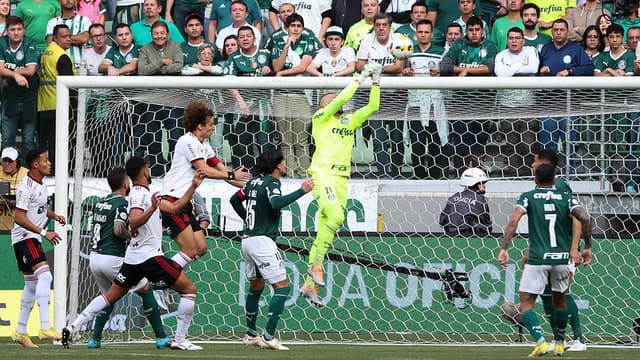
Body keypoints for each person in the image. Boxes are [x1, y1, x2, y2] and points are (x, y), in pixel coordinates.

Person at [62, 156, 205, 351]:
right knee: (189, 290)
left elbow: (174, 208)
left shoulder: (145, 193)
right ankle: (179, 340)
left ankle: (72, 327)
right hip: (149, 257)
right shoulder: (140, 195)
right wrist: (153, 209)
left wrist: (193, 187)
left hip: (132, 259)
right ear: (145, 171)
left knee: (109, 296)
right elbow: (134, 221)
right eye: (148, 168)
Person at [298, 62, 382, 306]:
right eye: (332, 98)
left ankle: (310, 283)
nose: (338, 101)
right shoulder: (320, 118)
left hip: (343, 180)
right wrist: (360, 78)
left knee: (326, 231)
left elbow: (373, 106)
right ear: (324, 104)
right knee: (335, 217)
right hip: (323, 175)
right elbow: (339, 99)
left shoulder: (348, 122)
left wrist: (376, 81)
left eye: (339, 98)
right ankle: (316, 268)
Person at [498, 162, 592, 357]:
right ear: (554, 179)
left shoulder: (528, 196)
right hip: (560, 258)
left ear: (535, 179)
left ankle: (541, 341)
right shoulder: (566, 198)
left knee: (525, 303)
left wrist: (504, 248)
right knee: (560, 300)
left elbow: (514, 221)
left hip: (538, 258)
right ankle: (559, 341)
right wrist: (587, 246)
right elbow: (584, 218)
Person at [230, 148, 313, 350]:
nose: (285, 165)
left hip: (247, 239)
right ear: (277, 165)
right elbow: (275, 203)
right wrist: (302, 190)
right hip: (261, 242)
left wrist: (250, 221)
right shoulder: (272, 182)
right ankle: (268, 336)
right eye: (283, 162)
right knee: (282, 287)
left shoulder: (252, 183)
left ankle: (251, 335)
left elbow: (234, 200)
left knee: (256, 286)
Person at [85, 167, 172, 349]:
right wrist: (129, 235)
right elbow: (118, 229)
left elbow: (90, 231)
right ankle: (162, 337)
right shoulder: (123, 203)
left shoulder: (99, 203)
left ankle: (95, 339)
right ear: (126, 184)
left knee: (108, 296)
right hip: (112, 257)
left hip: (94, 257)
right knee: (145, 289)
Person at [160, 100, 250, 269]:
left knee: (200, 248)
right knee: (190, 250)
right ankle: (162, 277)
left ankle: (166, 275)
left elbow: (223, 171)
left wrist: (248, 185)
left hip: (185, 202)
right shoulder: (188, 141)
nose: (214, 127)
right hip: (172, 200)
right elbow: (204, 170)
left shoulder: (204, 145)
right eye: (211, 124)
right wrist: (231, 174)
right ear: (200, 126)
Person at [529, 149, 589, 352]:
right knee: (547, 293)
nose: (532, 164)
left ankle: (579, 339)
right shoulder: (543, 185)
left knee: (560, 292)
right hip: (546, 248)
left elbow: (577, 218)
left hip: (563, 248)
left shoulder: (559, 185)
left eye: (535, 161)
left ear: (544, 163)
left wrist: (574, 248)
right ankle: (558, 338)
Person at [10, 148, 66, 348]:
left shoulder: (40, 184)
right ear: (35, 164)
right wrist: (44, 233)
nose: (49, 163)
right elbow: (19, 217)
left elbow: (39, 207)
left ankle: (20, 331)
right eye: (45, 160)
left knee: (32, 286)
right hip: (25, 237)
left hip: (30, 237)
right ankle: (44, 326)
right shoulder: (26, 187)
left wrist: (54, 215)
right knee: (46, 276)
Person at [440, 15, 497, 175]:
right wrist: (463, 70)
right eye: (470, 30)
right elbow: (444, 66)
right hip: (460, 103)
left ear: (483, 31)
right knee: (461, 144)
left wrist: (466, 70)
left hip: (483, 102)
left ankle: (477, 174)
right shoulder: (459, 45)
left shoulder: (490, 46)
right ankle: (463, 174)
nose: (473, 33)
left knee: (479, 142)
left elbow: (490, 68)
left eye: (477, 30)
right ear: (466, 32)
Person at [538, 19, 593, 169]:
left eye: (562, 30)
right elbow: (536, 73)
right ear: (551, 32)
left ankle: (571, 178)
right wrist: (541, 72)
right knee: (547, 146)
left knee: (570, 144)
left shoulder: (576, 49)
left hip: (570, 105)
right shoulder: (545, 49)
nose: (558, 32)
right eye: (555, 30)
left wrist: (570, 72)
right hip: (548, 104)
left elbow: (589, 68)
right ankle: (547, 177)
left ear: (567, 31)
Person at [356, 12, 405, 178]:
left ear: (390, 27)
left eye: (384, 25)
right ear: (374, 26)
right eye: (378, 25)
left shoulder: (399, 39)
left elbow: (399, 67)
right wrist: (372, 67)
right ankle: (383, 175)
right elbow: (359, 65)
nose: (381, 28)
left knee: (397, 138)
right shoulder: (366, 40)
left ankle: (396, 174)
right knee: (379, 138)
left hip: (397, 96)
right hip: (374, 95)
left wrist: (376, 68)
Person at [270, 13, 319, 178]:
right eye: (293, 26)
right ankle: (290, 174)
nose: (296, 29)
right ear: (286, 28)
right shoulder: (278, 42)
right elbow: (276, 66)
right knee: (286, 139)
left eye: (298, 26)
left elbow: (303, 67)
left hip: (300, 96)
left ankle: (304, 174)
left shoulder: (309, 42)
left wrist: (282, 74)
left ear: (303, 28)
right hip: (280, 96)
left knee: (300, 138)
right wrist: (286, 47)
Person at [401, 19, 448, 179]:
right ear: (415, 34)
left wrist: (440, 71)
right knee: (418, 145)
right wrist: (405, 71)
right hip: (415, 103)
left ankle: (436, 177)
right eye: (420, 32)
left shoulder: (440, 51)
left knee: (436, 143)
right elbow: (402, 70)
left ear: (432, 34)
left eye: (426, 32)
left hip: (434, 104)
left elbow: (448, 72)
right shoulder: (408, 51)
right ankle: (419, 177)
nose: (423, 35)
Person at [224, 26, 273, 170]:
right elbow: (228, 80)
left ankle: (265, 173)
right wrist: (240, 101)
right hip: (242, 103)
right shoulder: (234, 57)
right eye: (242, 36)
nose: (245, 39)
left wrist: (270, 71)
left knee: (264, 142)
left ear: (254, 38)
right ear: (238, 40)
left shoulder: (265, 54)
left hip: (262, 104)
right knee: (242, 142)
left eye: (248, 36)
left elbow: (278, 68)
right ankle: (247, 173)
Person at [494, 26, 539, 176]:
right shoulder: (500, 55)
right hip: (508, 106)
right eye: (511, 38)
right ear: (507, 40)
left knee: (528, 144)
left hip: (528, 106)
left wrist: (511, 70)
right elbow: (501, 74)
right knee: (511, 145)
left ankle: (528, 174)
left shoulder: (531, 51)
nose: (514, 41)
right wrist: (520, 67)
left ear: (523, 40)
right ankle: (515, 174)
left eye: (517, 38)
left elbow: (533, 68)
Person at [0, 16, 39, 159]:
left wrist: (10, 74)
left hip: (28, 99)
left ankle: (28, 175)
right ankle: (6, 177)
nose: (16, 33)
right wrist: (16, 76)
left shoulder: (29, 43)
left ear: (24, 30)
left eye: (19, 29)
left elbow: (31, 70)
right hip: (8, 99)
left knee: (28, 141)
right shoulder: (1, 43)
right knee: (7, 141)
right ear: (7, 31)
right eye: (12, 29)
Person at [38, 24, 75, 171]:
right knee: (60, 144)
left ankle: (48, 171)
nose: (68, 39)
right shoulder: (62, 56)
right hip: (60, 105)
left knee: (47, 143)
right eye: (64, 37)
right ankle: (60, 173)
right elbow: (70, 85)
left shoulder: (46, 53)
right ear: (54, 38)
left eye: (69, 36)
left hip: (44, 105)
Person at [439, 167, 492, 237]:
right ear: (474, 184)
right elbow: (487, 226)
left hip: (450, 236)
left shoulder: (453, 197)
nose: (484, 186)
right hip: (471, 238)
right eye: (481, 183)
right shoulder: (480, 200)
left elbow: (442, 221)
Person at [45, 0, 92, 67]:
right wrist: (77, 36)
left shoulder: (84, 20)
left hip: (80, 66)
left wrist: (61, 38)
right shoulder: (52, 22)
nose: (68, 0)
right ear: (59, 1)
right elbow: (51, 43)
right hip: (59, 65)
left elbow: (84, 39)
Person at [0, 147, 28, 231]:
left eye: (10, 161)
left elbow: (31, 200)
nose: (7, 164)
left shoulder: (27, 175)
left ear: (17, 162)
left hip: (21, 228)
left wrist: (10, 203)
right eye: (5, 161)